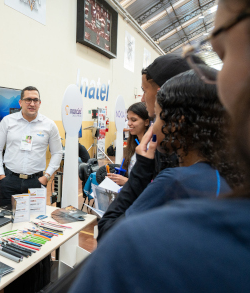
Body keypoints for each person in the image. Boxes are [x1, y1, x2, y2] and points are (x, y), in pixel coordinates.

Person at [69, 1, 250, 291]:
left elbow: (112, 234)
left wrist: (139, 173)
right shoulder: (226, 179)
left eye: (225, 55)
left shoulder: (172, 181)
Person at [97, 54, 200, 241]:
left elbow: (109, 230)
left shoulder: (171, 174)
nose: (143, 97)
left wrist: (139, 174)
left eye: (158, 118)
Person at [126, 69, 241, 215]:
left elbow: (111, 229)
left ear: (175, 123)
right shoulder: (227, 176)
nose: (154, 126)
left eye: (157, 118)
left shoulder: (173, 182)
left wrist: (141, 169)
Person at [0, 86, 63, 209]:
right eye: (28, 100)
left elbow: (57, 152)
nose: (32, 103)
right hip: (9, 181)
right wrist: (0, 175)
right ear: (20, 102)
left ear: (40, 103)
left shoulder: (49, 125)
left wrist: (46, 176)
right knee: (8, 221)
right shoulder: (8, 121)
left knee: (35, 221)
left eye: (35, 100)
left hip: (36, 182)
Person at [106, 102, 150, 186]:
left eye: (133, 120)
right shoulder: (132, 145)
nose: (129, 123)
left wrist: (127, 182)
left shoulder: (151, 148)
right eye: (128, 119)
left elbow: (151, 183)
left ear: (146, 122)